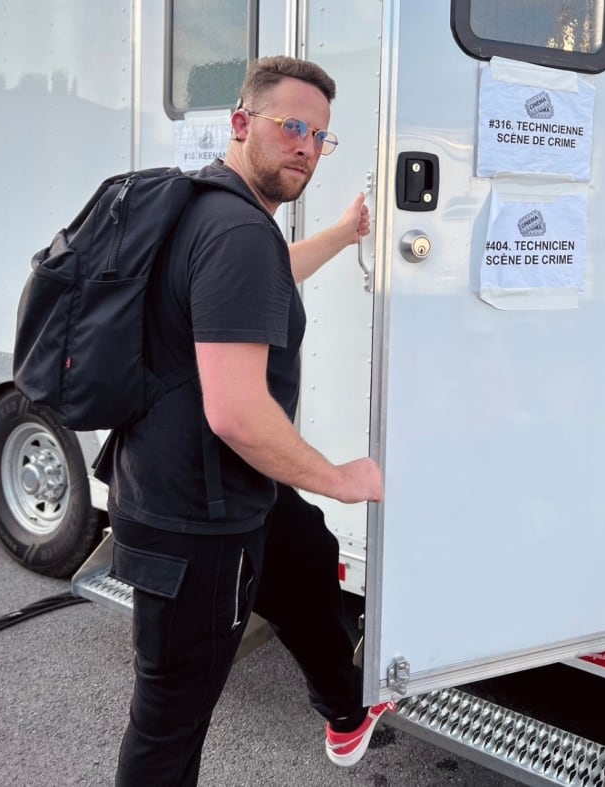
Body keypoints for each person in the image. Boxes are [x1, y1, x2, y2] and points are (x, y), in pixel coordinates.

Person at [98, 55, 395, 787]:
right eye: (290, 125)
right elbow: (235, 413)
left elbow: (260, 279)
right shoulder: (236, 232)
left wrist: (341, 232)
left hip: (198, 488)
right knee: (169, 724)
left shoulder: (205, 208)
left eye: (318, 137)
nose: (305, 146)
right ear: (241, 123)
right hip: (196, 523)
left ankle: (345, 710)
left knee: (303, 549)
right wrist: (339, 476)